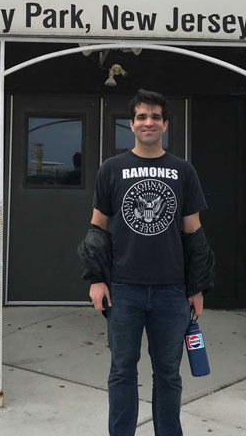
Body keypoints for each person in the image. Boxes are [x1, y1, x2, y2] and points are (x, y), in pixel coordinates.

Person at [81, 89, 213, 436]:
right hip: (124, 290)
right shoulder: (111, 169)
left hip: (172, 291)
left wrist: (196, 287)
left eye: (155, 116)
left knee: (168, 374)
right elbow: (98, 228)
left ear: (166, 124)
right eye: (142, 116)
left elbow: (193, 233)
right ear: (131, 124)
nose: (148, 122)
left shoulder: (184, 171)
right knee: (122, 371)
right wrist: (96, 279)